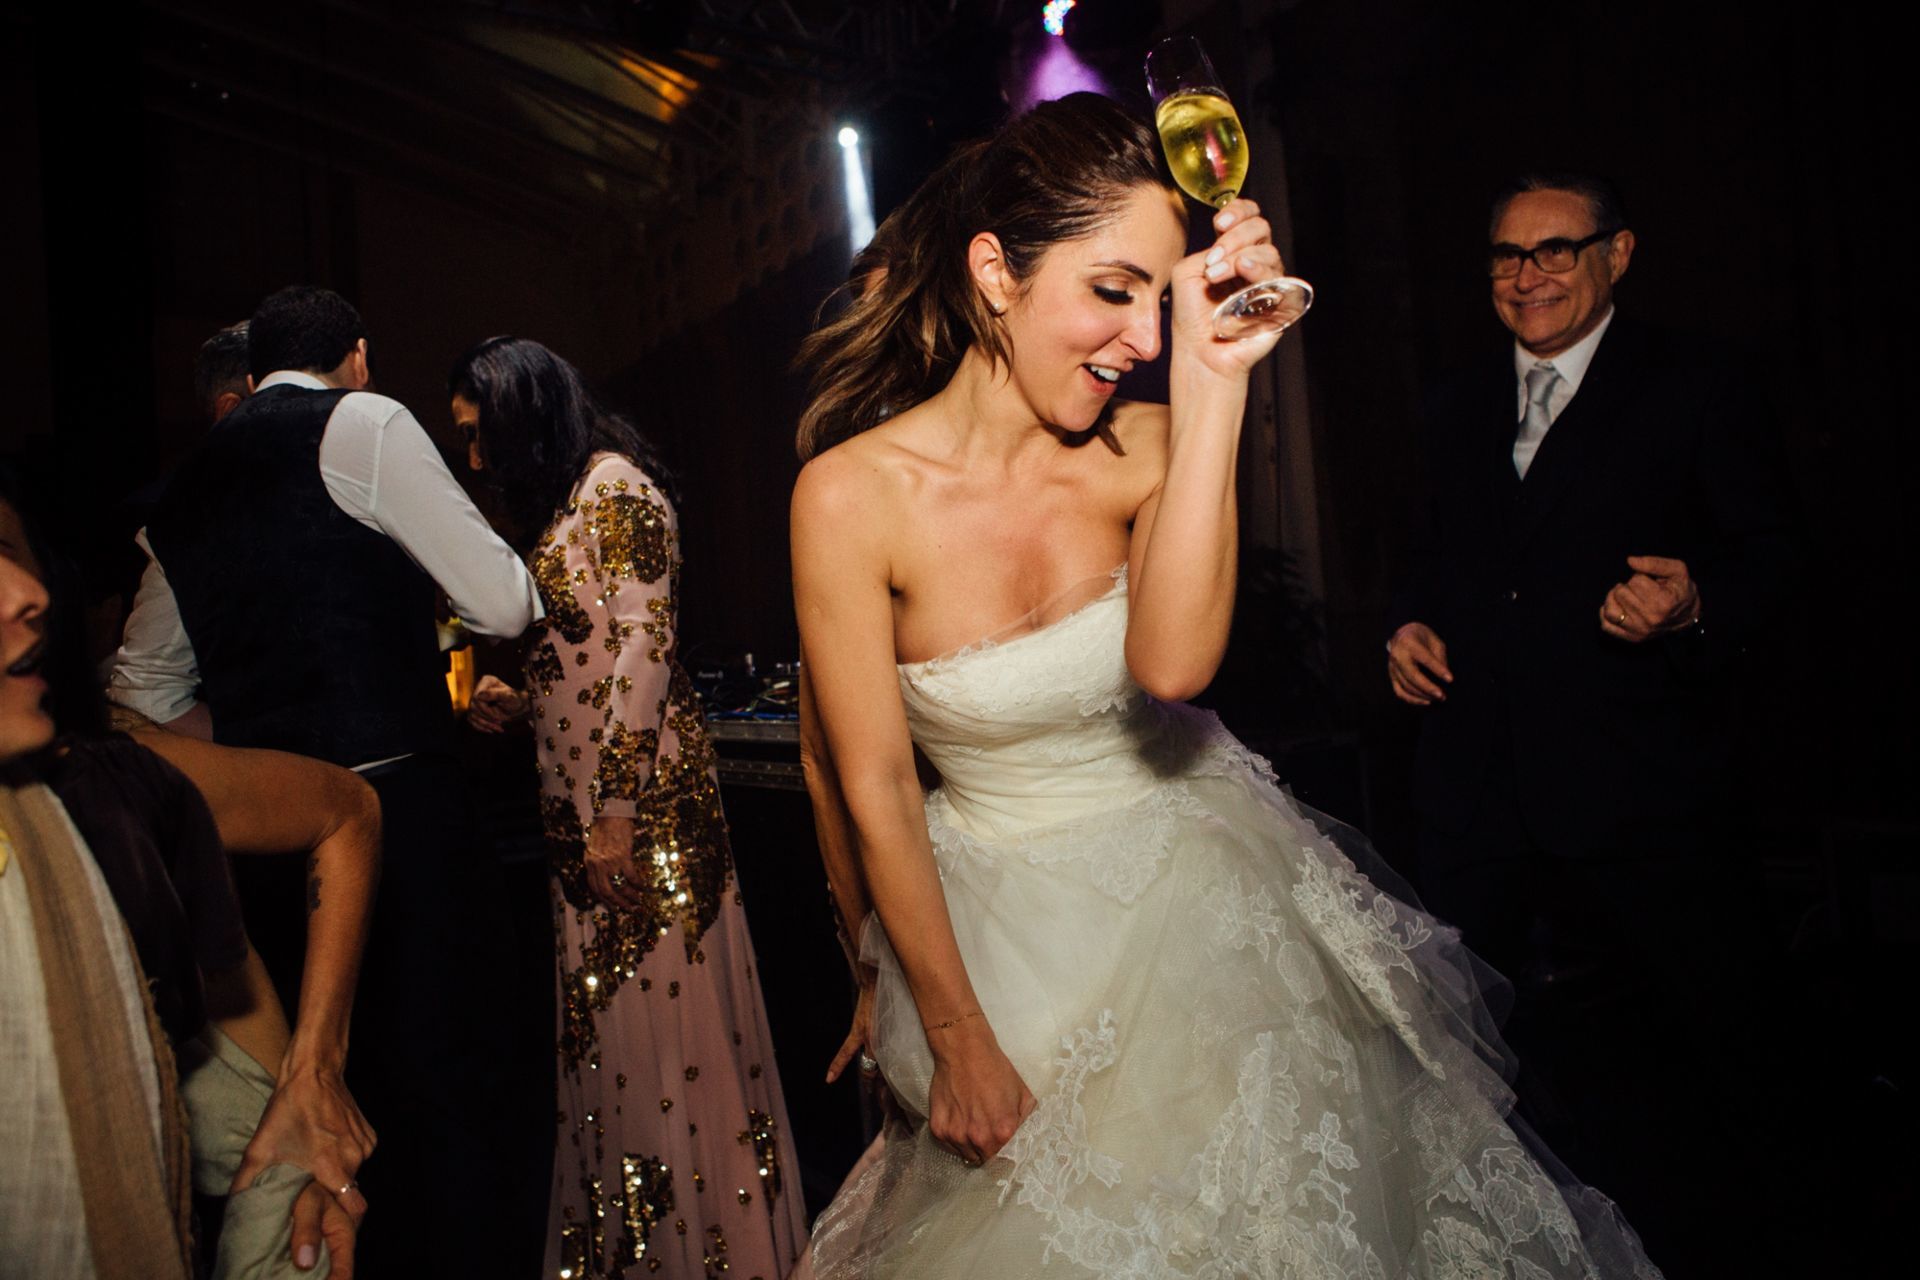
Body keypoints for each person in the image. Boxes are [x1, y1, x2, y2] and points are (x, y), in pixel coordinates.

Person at [790, 93, 1665, 1278]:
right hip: (995, 951)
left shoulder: (1148, 444)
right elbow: (873, 779)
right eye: (1112, 291)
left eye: (1161, 299)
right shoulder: (848, 496)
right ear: (994, 271)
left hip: (1198, 914)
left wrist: (1216, 383)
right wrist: (951, 1031)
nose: (1142, 339)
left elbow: (1173, 665)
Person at [1384, 173, 1801, 1271]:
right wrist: (1407, 625)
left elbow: (1776, 562)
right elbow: (1427, 558)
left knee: (1713, 1059)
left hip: (1643, 789)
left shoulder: (1699, 384)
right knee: (1485, 1067)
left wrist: (1695, 597)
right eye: (1508, 257)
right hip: (1477, 791)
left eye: (1555, 251)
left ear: (1618, 254)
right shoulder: (1451, 400)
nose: (1528, 277)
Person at [105, 285, 547, 1272]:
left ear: (252, 372)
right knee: (456, 1100)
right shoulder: (366, 419)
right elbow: (504, 603)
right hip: (406, 826)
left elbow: (139, 690)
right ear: (357, 355)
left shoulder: (183, 491)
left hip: (266, 858)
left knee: (327, 1124)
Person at [454, 336, 808, 1279]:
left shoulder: (617, 492)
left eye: (482, 435)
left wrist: (615, 814)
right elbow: (588, 658)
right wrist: (522, 700)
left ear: (525, 415)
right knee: (614, 1057)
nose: (477, 459)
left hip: (642, 820)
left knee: (673, 1054)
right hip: (584, 822)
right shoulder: (567, 507)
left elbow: (645, 653)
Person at [0, 484, 363, 1278]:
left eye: (7, 555)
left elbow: (345, 810)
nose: (25, 597)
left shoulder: (112, 780)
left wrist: (310, 1088)